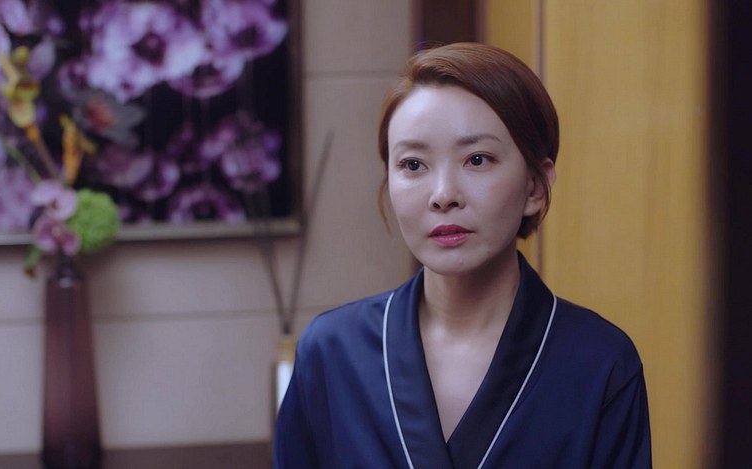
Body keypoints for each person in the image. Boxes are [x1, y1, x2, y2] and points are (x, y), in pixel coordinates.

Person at [273, 42, 651, 468]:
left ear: (535, 185)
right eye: (413, 165)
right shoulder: (331, 353)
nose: (443, 195)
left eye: (477, 159)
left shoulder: (601, 364)